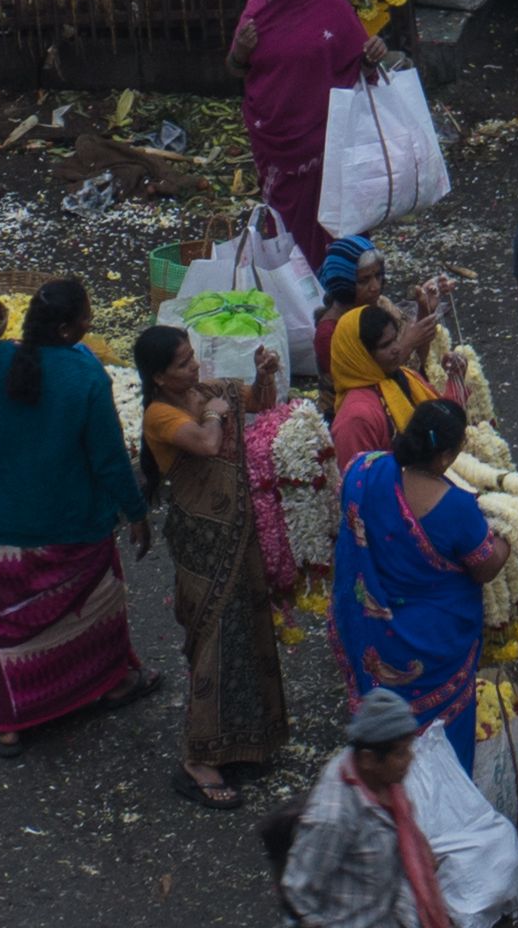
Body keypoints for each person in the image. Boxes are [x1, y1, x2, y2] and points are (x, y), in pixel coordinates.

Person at [0, 274, 143, 742]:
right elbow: (109, 459)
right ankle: (109, 685)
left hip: (2, 520)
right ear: (65, 330)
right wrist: (135, 511)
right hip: (71, 520)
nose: (90, 323)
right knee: (97, 606)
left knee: (7, 627)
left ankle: (11, 726)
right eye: (85, 317)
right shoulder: (85, 375)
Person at [136, 324, 286, 807]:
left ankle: (245, 740)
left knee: (245, 629)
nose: (195, 366)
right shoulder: (159, 415)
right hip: (202, 542)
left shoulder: (211, 391)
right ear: (159, 377)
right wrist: (217, 412)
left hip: (236, 534)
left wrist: (264, 374)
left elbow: (260, 402)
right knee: (213, 640)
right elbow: (205, 444)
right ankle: (198, 760)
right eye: (182, 363)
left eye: (193, 356)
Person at [327, 392, 510, 778]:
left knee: (386, 732)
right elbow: (485, 566)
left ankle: (384, 791)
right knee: (440, 741)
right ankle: (440, 811)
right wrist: (509, 537)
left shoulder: (362, 469)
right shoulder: (457, 507)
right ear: (445, 457)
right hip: (429, 645)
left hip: (372, 633)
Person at [231, 0, 378, 254]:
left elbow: (358, 66)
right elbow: (235, 68)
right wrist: (241, 49)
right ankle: (294, 288)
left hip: (321, 138)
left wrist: (372, 59)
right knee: (284, 224)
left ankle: (341, 286)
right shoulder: (256, 8)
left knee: (331, 223)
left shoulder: (331, 8)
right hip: (272, 134)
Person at [279, 691, 456, 928]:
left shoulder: (382, 780)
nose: (410, 759)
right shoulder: (333, 817)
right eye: (401, 753)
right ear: (369, 759)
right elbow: (297, 890)